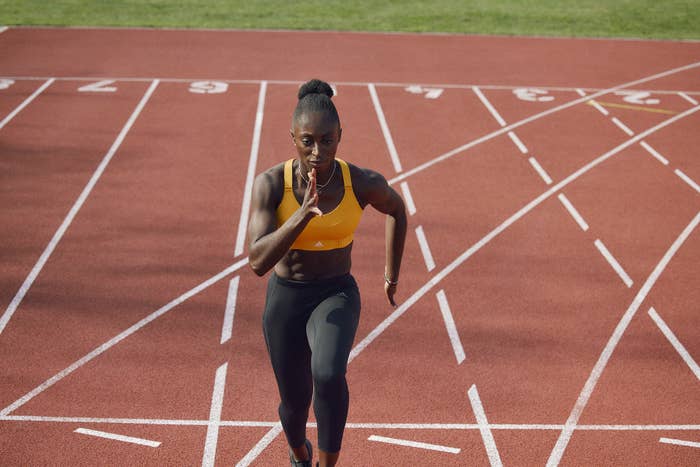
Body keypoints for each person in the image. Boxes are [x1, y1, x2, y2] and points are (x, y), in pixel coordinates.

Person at [247, 78, 407, 467]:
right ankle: (298, 452)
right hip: (287, 296)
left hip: (336, 293)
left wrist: (392, 275)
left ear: (340, 137)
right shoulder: (271, 185)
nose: (318, 151)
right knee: (294, 403)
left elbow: (398, 210)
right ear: (293, 138)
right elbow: (257, 262)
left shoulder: (361, 182)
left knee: (329, 373)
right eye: (308, 141)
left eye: (328, 140)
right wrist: (301, 217)